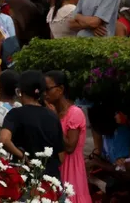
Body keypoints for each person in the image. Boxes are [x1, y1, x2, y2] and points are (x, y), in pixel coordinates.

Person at [0, 71, 64, 179]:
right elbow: (61, 157)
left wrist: (22, 156)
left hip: (25, 177)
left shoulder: (15, 114)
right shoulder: (53, 116)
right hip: (51, 179)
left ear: (20, 91)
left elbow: (4, 139)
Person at [46, 70, 92, 203]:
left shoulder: (75, 113)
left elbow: (70, 147)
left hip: (71, 169)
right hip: (55, 167)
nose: (45, 94)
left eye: (48, 89)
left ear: (60, 89)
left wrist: (54, 119)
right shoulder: (51, 112)